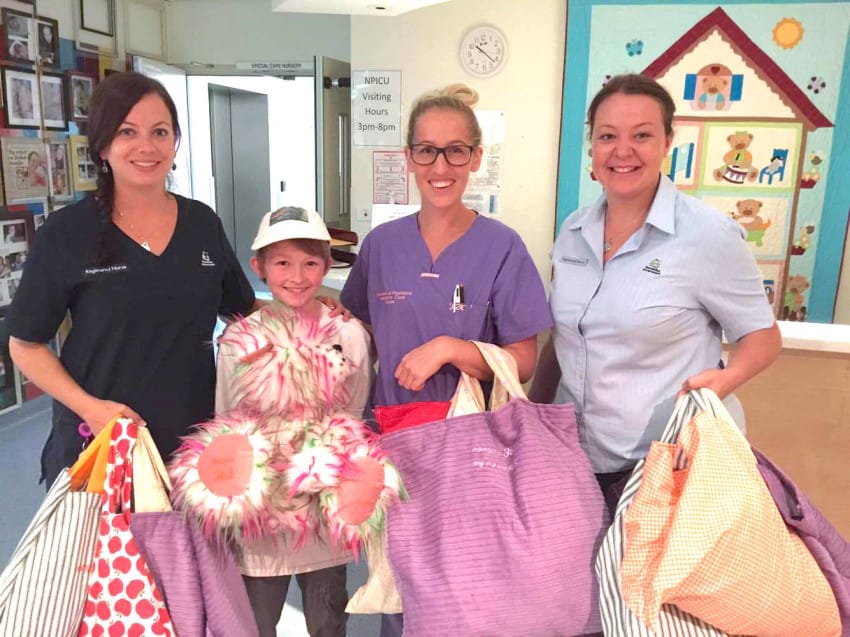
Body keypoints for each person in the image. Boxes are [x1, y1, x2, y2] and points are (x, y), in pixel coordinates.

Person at [339, 84, 552, 636]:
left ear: (476, 158)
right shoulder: (381, 247)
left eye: (457, 150)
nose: (442, 165)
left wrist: (452, 349)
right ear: (408, 156)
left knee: (465, 591)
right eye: (427, 150)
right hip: (393, 444)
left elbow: (523, 360)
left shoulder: (502, 247)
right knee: (398, 586)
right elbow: (355, 333)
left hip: (469, 451)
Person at [530, 74, 782, 513]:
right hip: (575, 459)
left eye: (642, 135)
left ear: (667, 141)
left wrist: (722, 382)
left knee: (650, 583)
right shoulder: (572, 232)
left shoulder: (708, 236)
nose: (622, 151)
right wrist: (532, 416)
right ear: (592, 146)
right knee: (584, 581)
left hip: (667, 466)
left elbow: (762, 337)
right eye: (608, 136)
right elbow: (566, 337)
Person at [7, 71, 256, 487]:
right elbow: (25, 344)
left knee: (186, 553)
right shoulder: (68, 232)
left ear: (175, 141)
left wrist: (313, 308)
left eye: (160, 132)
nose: (147, 146)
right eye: (127, 131)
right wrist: (89, 407)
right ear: (104, 146)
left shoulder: (201, 223)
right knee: (106, 554)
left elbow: (241, 310)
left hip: (194, 444)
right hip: (102, 441)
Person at [215, 206, 371, 637]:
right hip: (262, 512)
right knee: (254, 620)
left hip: (324, 509)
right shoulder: (239, 339)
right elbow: (228, 422)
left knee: (327, 618)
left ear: (326, 265)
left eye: (310, 263)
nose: (297, 276)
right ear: (259, 267)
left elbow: (354, 413)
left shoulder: (349, 334)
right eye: (282, 263)